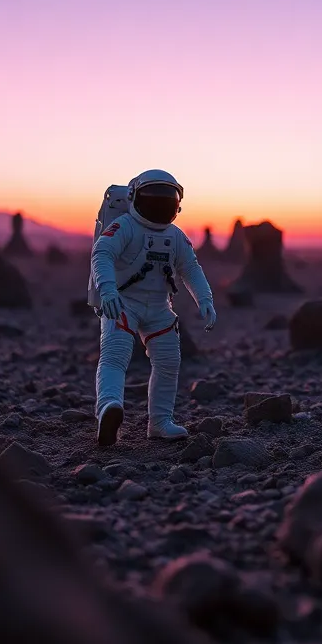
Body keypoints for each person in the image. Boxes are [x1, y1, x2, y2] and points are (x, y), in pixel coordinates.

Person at [91, 169, 216, 446]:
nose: (159, 206)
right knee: (115, 357)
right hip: (123, 303)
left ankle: (160, 422)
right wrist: (108, 290)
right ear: (134, 197)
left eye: (166, 201)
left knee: (169, 362)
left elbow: (190, 269)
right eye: (153, 199)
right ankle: (108, 409)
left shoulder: (175, 236)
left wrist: (204, 299)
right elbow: (103, 253)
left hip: (160, 308)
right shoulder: (125, 226)